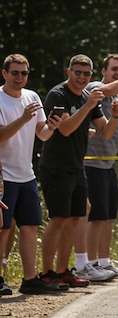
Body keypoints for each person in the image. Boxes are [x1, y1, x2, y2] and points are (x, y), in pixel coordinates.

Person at [39, 54, 118, 287]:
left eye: (86, 73)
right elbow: (67, 128)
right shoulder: (59, 94)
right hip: (56, 165)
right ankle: (47, 273)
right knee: (58, 219)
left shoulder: (87, 97)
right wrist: (89, 105)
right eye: (78, 72)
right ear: (69, 72)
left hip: (76, 165)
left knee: (75, 218)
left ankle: (63, 271)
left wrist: (116, 117)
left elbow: (106, 132)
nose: (82, 77)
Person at [73, 53, 118, 279]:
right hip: (90, 163)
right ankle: (90, 264)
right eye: (114, 69)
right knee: (94, 216)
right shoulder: (95, 89)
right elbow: (110, 90)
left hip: (108, 164)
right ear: (104, 72)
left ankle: (104, 261)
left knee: (108, 216)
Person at [0, 54, 60, 293]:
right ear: (4, 73)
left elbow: (42, 135)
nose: (20, 77)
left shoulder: (32, 96)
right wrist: (23, 118)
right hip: (4, 175)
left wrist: (52, 127)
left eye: (24, 73)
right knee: (3, 228)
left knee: (30, 226)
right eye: (15, 73)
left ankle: (30, 279)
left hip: (26, 174)